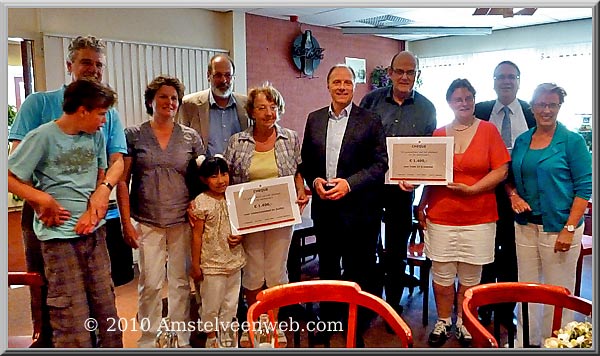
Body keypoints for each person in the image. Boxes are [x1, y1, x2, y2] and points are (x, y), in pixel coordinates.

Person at [7, 35, 128, 347]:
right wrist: (41, 199)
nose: (94, 69)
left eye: (99, 64)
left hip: (92, 226)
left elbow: (110, 165)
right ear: (70, 64)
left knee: (103, 300)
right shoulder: (40, 109)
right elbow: (15, 167)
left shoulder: (99, 125)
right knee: (61, 301)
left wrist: (99, 196)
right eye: (87, 62)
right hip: (52, 225)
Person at [417, 79, 510, 347]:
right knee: (442, 275)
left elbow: (501, 170)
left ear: (474, 99)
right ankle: (443, 320)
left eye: (469, 98)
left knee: (471, 276)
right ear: (449, 102)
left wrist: (473, 190)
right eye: (458, 99)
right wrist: (421, 202)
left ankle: (466, 321)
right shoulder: (437, 134)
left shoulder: (489, 131)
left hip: (479, 217)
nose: (464, 103)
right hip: (441, 215)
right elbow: (431, 176)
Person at [300, 64, 388, 347]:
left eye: (347, 82)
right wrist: (314, 183)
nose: (341, 87)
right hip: (325, 210)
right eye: (336, 82)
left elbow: (379, 164)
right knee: (327, 269)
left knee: (356, 271)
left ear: (354, 86)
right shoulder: (313, 119)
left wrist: (348, 184)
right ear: (327, 86)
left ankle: (354, 326)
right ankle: (327, 323)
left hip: (360, 211)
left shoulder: (371, 120)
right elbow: (307, 162)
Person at [116, 75, 203, 348]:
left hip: (181, 219)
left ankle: (180, 336)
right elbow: (122, 179)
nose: (169, 102)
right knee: (151, 282)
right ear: (151, 101)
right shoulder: (134, 135)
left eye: (174, 98)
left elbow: (201, 178)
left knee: (178, 282)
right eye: (163, 97)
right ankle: (149, 338)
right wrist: (125, 222)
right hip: (148, 219)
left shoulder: (190, 137)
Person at [223, 82, 308, 347]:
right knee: (252, 272)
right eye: (262, 107)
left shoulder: (290, 138)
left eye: (273, 107)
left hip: (281, 216)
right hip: (248, 218)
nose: (268, 112)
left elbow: (297, 170)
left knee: (276, 271)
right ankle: (255, 323)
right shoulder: (237, 142)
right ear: (251, 111)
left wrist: (300, 190)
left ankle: (272, 325)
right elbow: (228, 180)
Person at [507, 83, 591, 347]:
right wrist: (513, 195)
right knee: (526, 289)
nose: (546, 110)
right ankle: (525, 341)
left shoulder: (572, 141)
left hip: (559, 228)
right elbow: (510, 177)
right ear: (531, 107)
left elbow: (584, 187)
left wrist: (569, 228)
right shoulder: (522, 140)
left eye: (552, 105)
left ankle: (557, 344)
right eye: (541, 104)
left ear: (559, 107)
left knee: (558, 293)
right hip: (525, 226)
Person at [359, 51, 436, 314]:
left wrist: (417, 180)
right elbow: (358, 141)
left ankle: (392, 305)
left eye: (410, 72)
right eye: (399, 71)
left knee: (396, 250)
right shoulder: (370, 101)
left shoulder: (427, 108)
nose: (405, 77)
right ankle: (369, 303)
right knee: (367, 246)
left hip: (402, 192)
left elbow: (427, 153)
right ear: (390, 73)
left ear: (417, 75)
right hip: (369, 187)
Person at [474, 60, 536, 327]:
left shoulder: (532, 113)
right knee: (485, 252)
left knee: (512, 255)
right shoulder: (480, 110)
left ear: (519, 80)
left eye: (512, 77)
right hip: (484, 193)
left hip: (519, 198)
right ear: (494, 81)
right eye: (501, 77)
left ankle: (505, 310)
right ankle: (484, 305)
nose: (506, 81)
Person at [188, 155, 245, 348]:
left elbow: (243, 224)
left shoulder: (234, 197)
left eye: (224, 174)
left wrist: (241, 236)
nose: (221, 180)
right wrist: (195, 264)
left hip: (234, 260)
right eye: (214, 176)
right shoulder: (201, 202)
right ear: (204, 179)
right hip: (211, 263)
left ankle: (227, 336)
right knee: (211, 303)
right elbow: (196, 236)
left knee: (231, 302)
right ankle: (211, 337)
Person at [178, 53, 249, 156]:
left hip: (238, 170)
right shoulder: (189, 105)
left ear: (233, 77)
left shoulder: (246, 104)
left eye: (228, 75)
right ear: (208, 76)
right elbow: (182, 143)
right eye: (218, 75)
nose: (223, 80)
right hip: (204, 170)